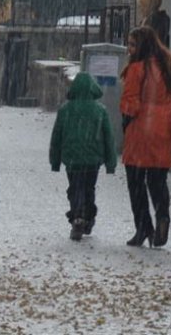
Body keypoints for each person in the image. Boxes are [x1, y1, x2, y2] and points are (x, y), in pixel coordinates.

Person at [119, 26, 171, 247]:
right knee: (157, 180)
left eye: (133, 44)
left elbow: (131, 104)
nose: (129, 49)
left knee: (135, 181)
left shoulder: (137, 69)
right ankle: (163, 217)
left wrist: (125, 120)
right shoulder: (170, 65)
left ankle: (143, 227)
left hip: (141, 131)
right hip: (164, 130)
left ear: (142, 46)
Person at [49, 72, 117, 241]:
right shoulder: (100, 110)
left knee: (74, 188)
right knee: (88, 188)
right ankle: (87, 217)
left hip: (72, 158)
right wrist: (111, 162)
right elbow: (108, 137)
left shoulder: (65, 110)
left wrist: (55, 161)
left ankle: (77, 215)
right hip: (92, 160)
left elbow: (56, 137)